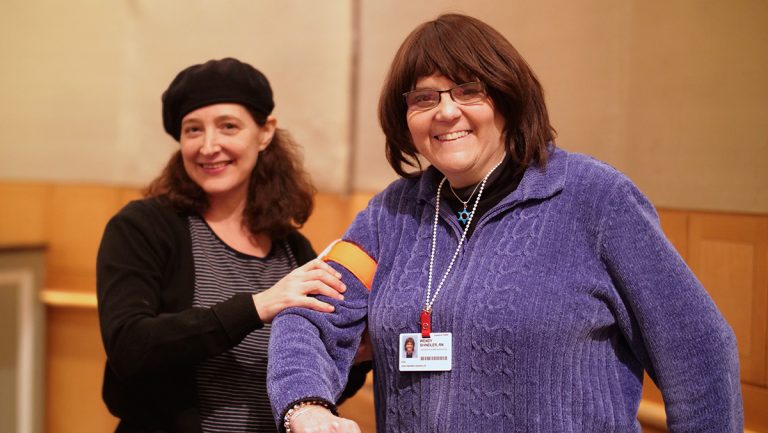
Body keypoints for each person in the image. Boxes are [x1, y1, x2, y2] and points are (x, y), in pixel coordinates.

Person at [267, 14, 743, 433]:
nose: (446, 111)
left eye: (469, 90)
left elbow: (698, 351)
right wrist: (306, 407)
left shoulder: (597, 199)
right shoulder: (389, 215)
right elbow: (310, 314)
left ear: (508, 97)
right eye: (424, 98)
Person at [96, 58, 369, 433]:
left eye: (228, 126)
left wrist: (356, 354)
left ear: (264, 133)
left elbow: (316, 386)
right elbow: (130, 347)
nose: (209, 146)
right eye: (193, 130)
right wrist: (257, 307)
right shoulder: (142, 227)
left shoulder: (291, 248)